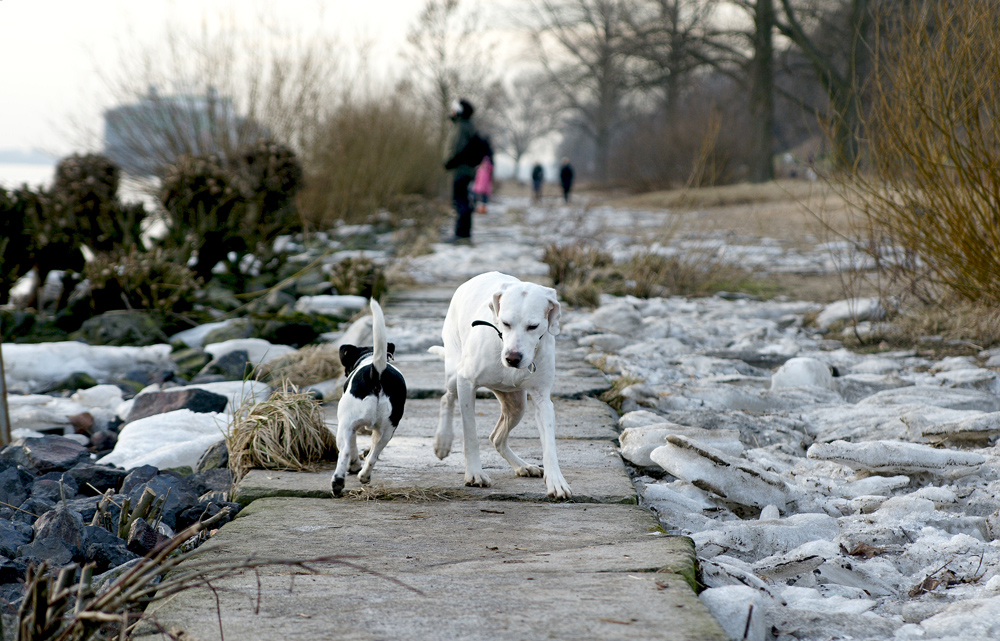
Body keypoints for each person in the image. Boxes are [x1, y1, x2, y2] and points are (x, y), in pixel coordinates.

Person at [443, 98, 478, 244]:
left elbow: (457, 148)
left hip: (461, 170)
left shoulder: (461, 126)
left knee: (460, 201)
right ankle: (463, 233)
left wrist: (449, 162)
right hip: (465, 170)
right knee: (463, 201)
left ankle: (461, 234)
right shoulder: (466, 125)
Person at [472, 142, 494, 214]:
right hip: (482, 185)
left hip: (481, 185)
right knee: (481, 198)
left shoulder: (482, 167)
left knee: (480, 197)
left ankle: (481, 209)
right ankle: (480, 209)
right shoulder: (488, 167)